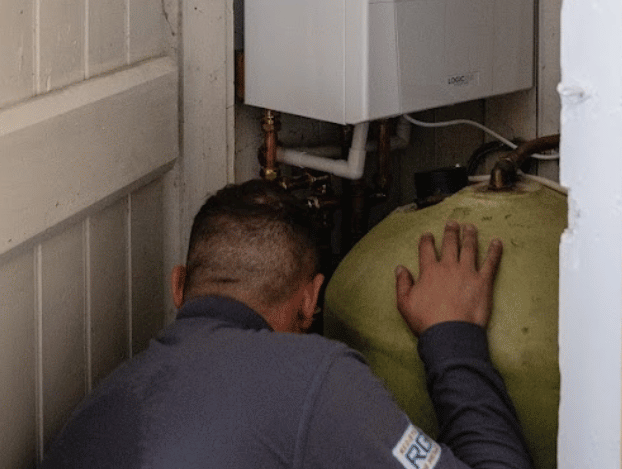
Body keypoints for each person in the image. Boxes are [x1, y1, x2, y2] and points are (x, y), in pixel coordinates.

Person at [42, 179, 532, 468]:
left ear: (179, 286)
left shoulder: (91, 411)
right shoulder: (313, 378)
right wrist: (453, 337)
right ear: (310, 299)